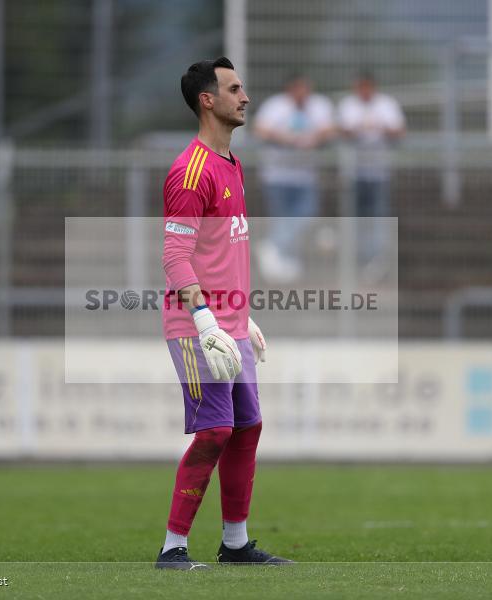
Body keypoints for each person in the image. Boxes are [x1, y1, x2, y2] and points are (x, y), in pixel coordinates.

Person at [157, 57, 292, 570]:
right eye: (235, 88)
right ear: (207, 100)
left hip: (229, 322)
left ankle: (235, 544)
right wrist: (206, 321)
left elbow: (222, 253)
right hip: (196, 328)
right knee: (214, 432)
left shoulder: (233, 165)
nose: (246, 96)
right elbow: (175, 257)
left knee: (247, 427)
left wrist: (243, 316)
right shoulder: (190, 171)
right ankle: (173, 549)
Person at [252, 75, 337, 283]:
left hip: (306, 175)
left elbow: (331, 129)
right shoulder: (275, 105)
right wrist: (285, 138)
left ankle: (272, 248)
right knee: (282, 218)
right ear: (290, 88)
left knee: (305, 215)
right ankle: (282, 262)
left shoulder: (319, 105)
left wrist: (314, 138)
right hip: (277, 175)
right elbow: (260, 129)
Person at [338, 72, 406, 273]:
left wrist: (380, 128)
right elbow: (340, 130)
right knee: (354, 218)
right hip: (354, 173)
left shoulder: (386, 104)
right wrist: (360, 129)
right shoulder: (348, 105)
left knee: (377, 216)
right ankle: (357, 258)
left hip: (378, 173)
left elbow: (399, 131)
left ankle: (375, 259)